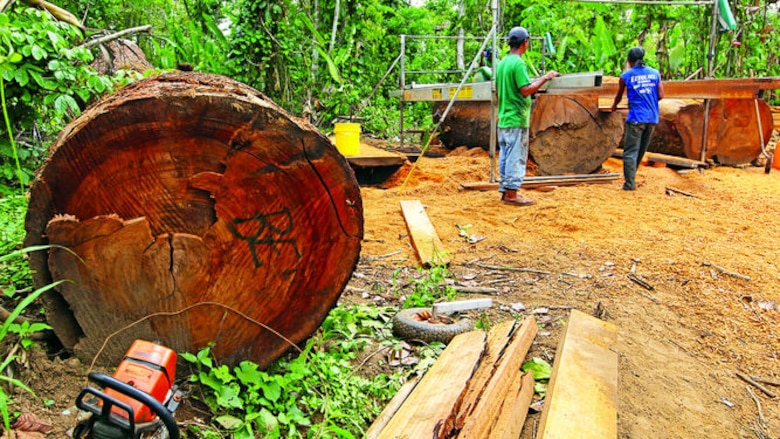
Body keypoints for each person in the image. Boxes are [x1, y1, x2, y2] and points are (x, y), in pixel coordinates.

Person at [495, 26, 559, 206]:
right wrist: (545, 77)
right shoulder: (518, 64)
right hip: (516, 118)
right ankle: (512, 193)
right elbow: (525, 90)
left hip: (504, 118)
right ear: (525, 43)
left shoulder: (502, 63)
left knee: (506, 155)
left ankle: (506, 190)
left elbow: (500, 91)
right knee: (516, 156)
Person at [611, 47, 664, 191]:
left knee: (630, 151)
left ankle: (629, 184)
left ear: (629, 61)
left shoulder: (626, 76)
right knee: (641, 150)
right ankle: (631, 177)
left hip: (636, 117)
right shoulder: (655, 73)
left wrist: (614, 106)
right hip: (652, 118)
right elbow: (661, 95)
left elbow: (619, 95)